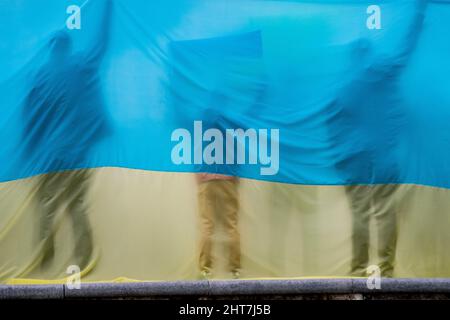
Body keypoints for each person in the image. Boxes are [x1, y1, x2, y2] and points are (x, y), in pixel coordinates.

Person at [327, 0, 427, 277]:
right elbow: (407, 45)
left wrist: (338, 157)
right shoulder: (386, 73)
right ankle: (385, 271)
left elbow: (330, 122)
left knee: (359, 213)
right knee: (385, 213)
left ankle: (359, 271)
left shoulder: (344, 88)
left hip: (354, 157)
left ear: (351, 60)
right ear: (371, 55)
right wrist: (419, 12)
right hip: (383, 156)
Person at [22, 0, 113, 271]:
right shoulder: (80, 68)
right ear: (68, 47)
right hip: (77, 155)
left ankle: (46, 256)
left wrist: (29, 150)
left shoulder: (40, 76)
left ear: (51, 49)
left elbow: (30, 117)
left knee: (46, 205)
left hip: (49, 155)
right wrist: (108, 8)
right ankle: (84, 260)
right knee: (77, 206)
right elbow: (101, 44)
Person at [197, 173, 241, 279]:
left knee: (207, 225)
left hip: (206, 180)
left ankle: (205, 270)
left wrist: (200, 177)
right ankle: (234, 270)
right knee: (231, 226)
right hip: (228, 179)